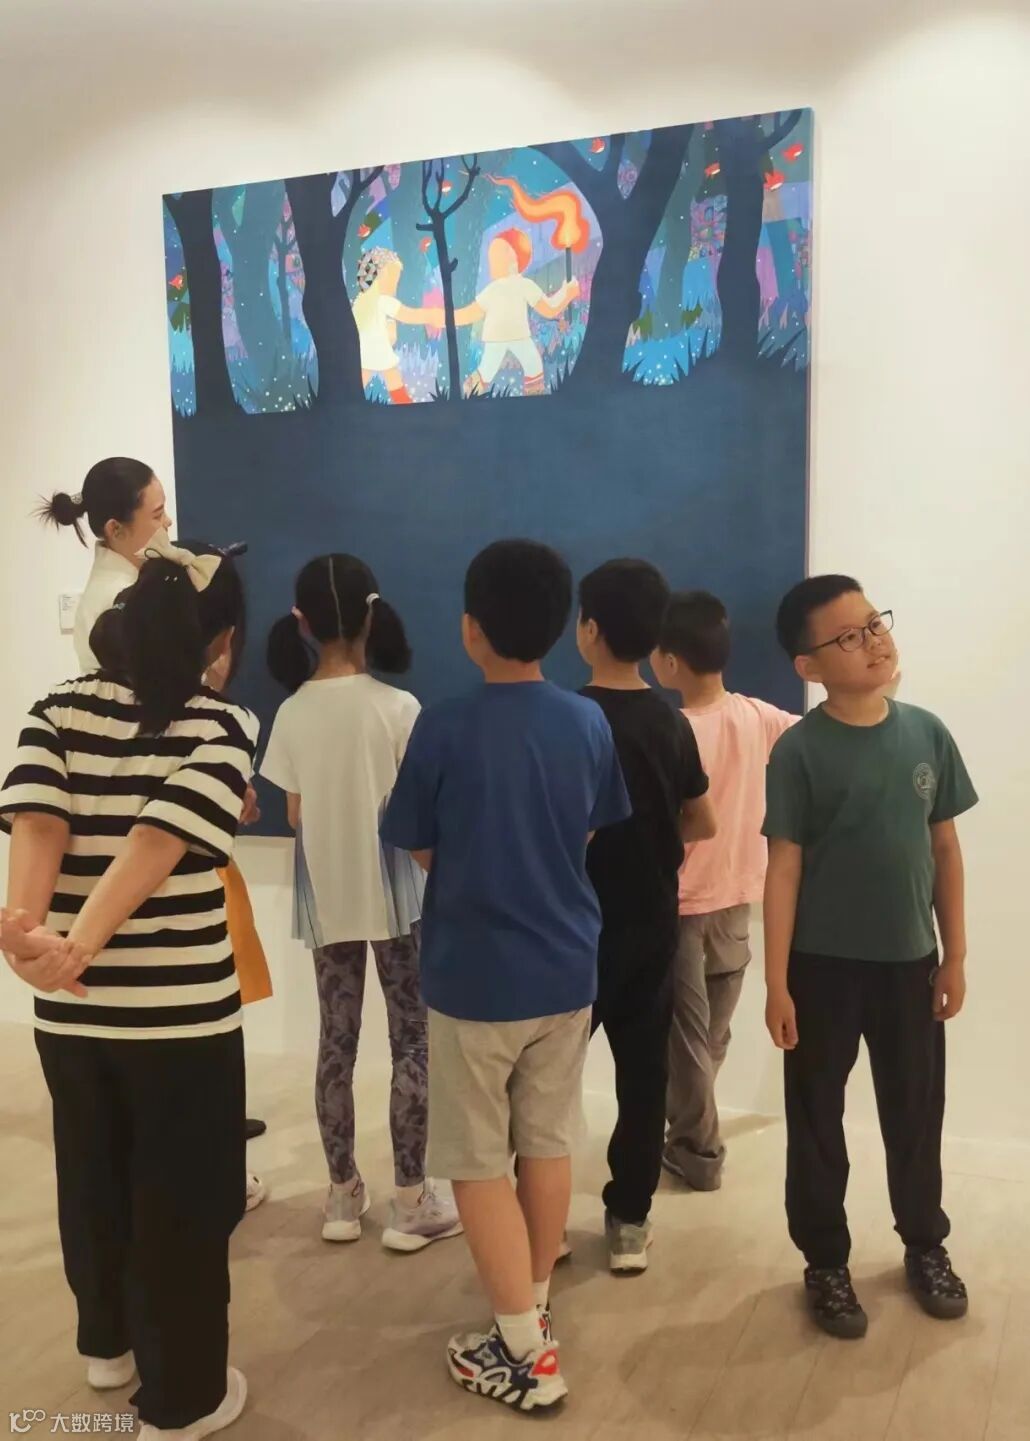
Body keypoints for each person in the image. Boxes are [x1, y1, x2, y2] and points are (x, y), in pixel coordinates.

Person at [0, 540, 259, 1438]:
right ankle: (183, 1397)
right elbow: (158, 839)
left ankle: (107, 1344)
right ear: (220, 639)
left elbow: (38, 821)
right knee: (182, 1197)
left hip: (70, 1013)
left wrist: (30, 936)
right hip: (180, 1015)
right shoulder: (222, 722)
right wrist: (72, 943)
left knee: (92, 1172)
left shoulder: (55, 708)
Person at [381, 539, 630, 1413]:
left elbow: (419, 845)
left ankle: (522, 1348)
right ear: (564, 628)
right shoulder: (587, 721)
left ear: (470, 629)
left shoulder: (443, 725)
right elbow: (588, 830)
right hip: (566, 969)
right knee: (548, 1140)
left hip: (474, 976)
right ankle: (535, 1306)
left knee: (477, 1161)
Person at [763, 576, 976, 1340]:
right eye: (848, 636)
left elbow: (944, 848)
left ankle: (925, 1242)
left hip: (910, 963)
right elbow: (783, 867)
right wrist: (777, 982)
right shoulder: (798, 750)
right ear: (809, 665)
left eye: (874, 623)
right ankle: (825, 1260)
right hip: (820, 969)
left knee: (915, 1113)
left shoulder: (926, 734)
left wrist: (954, 955)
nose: (873, 641)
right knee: (817, 1119)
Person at [262, 554, 461, 1252]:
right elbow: (421, 811)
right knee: (412, 1039)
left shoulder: (291, 712)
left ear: (302, 621)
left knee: (335, 1041)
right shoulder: (399, 708)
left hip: (326, 896)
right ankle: (411, 1200)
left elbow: (294, 813)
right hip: (398, 894)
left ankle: (342, 1196)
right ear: (372, 615)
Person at [576, 561, 715, 1272]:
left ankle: (535, 1216)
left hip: (572, 925)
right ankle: (630, 1219)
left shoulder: (568, 717)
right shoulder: (671, 722)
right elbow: (703, 820)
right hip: (651, 922)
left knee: (543, 1080)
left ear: (588, 630)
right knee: (642, 1077)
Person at [650, 591, 798, 1192]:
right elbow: (814, 738)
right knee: (710, 1033)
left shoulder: (673, 730)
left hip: (683, 903)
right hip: (739, 897)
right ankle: (690, 1136)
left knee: (688, 1037)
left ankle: (698, 1151)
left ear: (669, 662)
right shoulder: (759, 716)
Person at [37, 456, 173, 671]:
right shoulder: (117, 601)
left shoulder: (138, 581)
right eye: (158, 515)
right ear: (115, 529)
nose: (168, 521)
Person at [454, 230, 578, 397]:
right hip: (510, 337)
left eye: (496, 256)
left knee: (494, 370)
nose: (491, 262)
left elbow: (549, 309)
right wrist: (567, 294)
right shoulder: (508, 287)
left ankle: (470, 391)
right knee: (530, 366)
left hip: (507, 337)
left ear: (514, 258)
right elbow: (550, 309)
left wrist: (566, 293)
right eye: (491, 257)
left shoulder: (515, 286)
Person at [351, 248, 444, 404]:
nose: (395, 285)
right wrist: (431, 315)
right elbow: (409, 315)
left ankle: (349, 403)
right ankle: (405, 405)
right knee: (392, 377)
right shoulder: (383, 301)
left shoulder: (361, 301)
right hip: (377, 349)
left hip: (363, 350)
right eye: (394, 280)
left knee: (369, 377)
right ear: (381, 276)